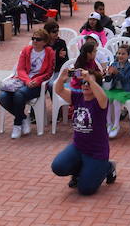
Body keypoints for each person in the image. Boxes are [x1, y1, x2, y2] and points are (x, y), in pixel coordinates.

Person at [50, 66, 117, 195]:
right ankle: (80, 171)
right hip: (78, 148)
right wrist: (62, 78)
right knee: (58, 167)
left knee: (86, 189)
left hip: (96, 152)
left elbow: (103, 96)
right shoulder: (77, 97)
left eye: (89, 83)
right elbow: (58, 90)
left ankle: (108, 167)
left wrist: (90, 79)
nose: (85, 85)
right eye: (83, 82)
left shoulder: (100, 101)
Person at [0, 28, 56, 139]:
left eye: (38, 39)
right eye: (33, 38)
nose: (34, 41)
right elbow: (20, 69)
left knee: (19, 95)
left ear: (44, 42)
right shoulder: (26, 50)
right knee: (2, 97)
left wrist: (37, 80)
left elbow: (49, 72)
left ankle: (17, 125)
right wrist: (27, 81)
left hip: (37, 85)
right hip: (22, 81)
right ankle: (24, 118)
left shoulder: (49, 52)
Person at [103, 44, 130, 139]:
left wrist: (117, 73)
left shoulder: (129, 66)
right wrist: (107, 73)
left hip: (126, 90)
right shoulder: (113, 64)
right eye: (118, 53)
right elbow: (108, 79)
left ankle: (116, 124)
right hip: (114, 89)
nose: (120, 56)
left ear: (128, 55)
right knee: (107, 99)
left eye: (123, 54)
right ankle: (108, 123)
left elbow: (127, 79)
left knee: (116, 101)